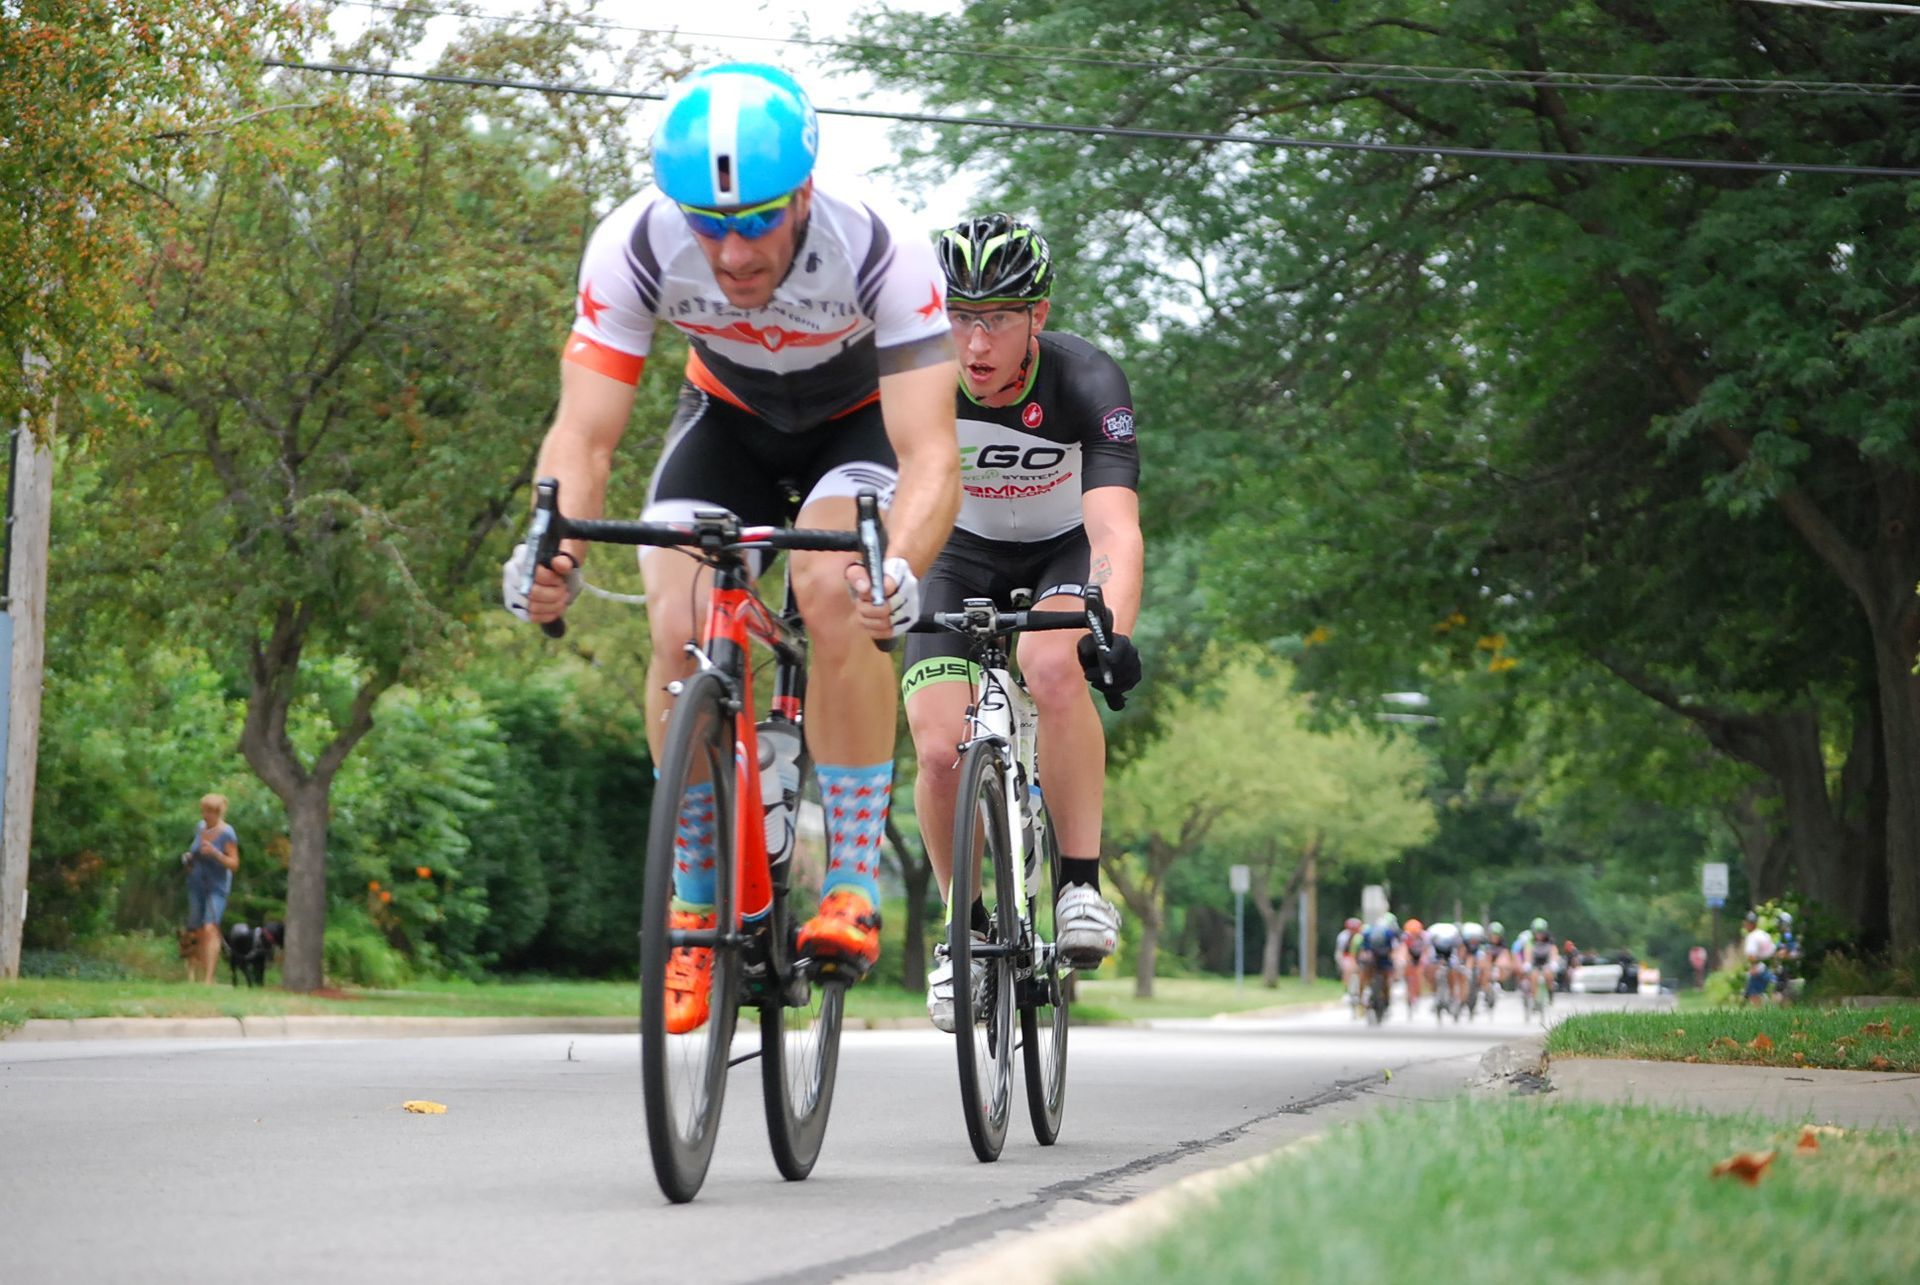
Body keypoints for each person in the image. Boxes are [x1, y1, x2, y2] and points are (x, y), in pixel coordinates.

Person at [506, 63, 961, 1034]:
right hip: (725, 416)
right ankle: (697, 898)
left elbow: (930, 454)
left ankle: (847, 877)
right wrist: (550, 552)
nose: (732, 249)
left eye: (756, 220)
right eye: (709, 225)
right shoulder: (632, 243)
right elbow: (583, 438)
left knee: (833, 588)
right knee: (676, 626)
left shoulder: (883, 245)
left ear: (803, 194)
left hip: (857, 424)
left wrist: (902, 564)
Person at [902, 214, 1142, 1030]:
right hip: (954, 551)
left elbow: (1114, 529)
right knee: (938, 749)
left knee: (1052, 664)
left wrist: (1111, 629)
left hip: (1059, 553)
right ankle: (960, 933)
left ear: (1037, 316)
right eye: (959, 315)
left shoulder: (1086, 380)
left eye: (997, 317)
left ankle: (1079, 882)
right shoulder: (919, 374)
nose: (975, 340)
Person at [181, 793, 239, 985]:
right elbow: (195, 850)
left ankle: (209, 978)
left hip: (217, 886)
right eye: (203, 811)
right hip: (196, 883)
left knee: (210, 928)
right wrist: (189, 858)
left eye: (209, 812)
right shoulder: (199, 827)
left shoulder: (227, 833)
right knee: (194, 929)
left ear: (218, 813)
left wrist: (215, 854)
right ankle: (191, 976)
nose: (205, 815)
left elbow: (234, 863)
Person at [1742, 910, 1777, 1004]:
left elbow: (1751, 955)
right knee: (1769, 991)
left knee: (1754, 993)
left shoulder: (1752, 937)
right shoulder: (1764, 934)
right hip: (1768, 968)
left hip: (1758, 968)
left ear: (1750, 924)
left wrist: (1753, 968)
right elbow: (1773, 951)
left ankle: (1759, 1013)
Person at [1335, 916, 1365, 1016]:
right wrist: (1340, 962)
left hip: (1360, 957)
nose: (1353, 932)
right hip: (1347, 956)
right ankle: (1347, 990)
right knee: (1348, 968)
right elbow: (1340, 951)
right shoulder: (1343, 936)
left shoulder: (1363, 935)